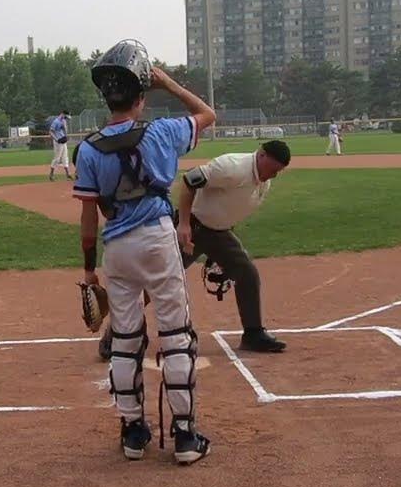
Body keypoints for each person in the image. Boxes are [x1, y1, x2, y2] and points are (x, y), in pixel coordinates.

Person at [72, 39, 216, 465]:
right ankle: (186, 437)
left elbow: (87, 220)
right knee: (174, 334)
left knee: (126, 339)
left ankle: (134, 432)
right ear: (141, 94)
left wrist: (88, 270)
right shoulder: (162, 132)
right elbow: (208, 115)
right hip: (156, 238)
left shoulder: (90, 148)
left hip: (116, 247)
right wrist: (169, 83)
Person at [97, 141, 290, 357]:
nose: (273, 175)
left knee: (247, 273)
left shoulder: (262, 180)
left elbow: (231, 206)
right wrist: (184, 224)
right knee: (158, 282)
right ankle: (115, 334)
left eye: (278, 172)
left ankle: (253, 334)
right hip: (194, 229)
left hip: (219, 234)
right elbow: (190, 180)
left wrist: (220, 252)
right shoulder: (232, 166)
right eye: (273, 169)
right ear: (262, 155)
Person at [48, 110, 73, 181]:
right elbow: (50, 132)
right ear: (62, 114)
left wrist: (65, 136)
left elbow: (64, 130)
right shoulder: (56, 121)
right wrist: (56, 139)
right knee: (57, 158)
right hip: (58, 142)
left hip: (63, 140)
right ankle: (51, 174)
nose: (66, 118)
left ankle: (68, 174)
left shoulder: (63, 121)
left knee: (65, 157)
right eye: (65, 116)